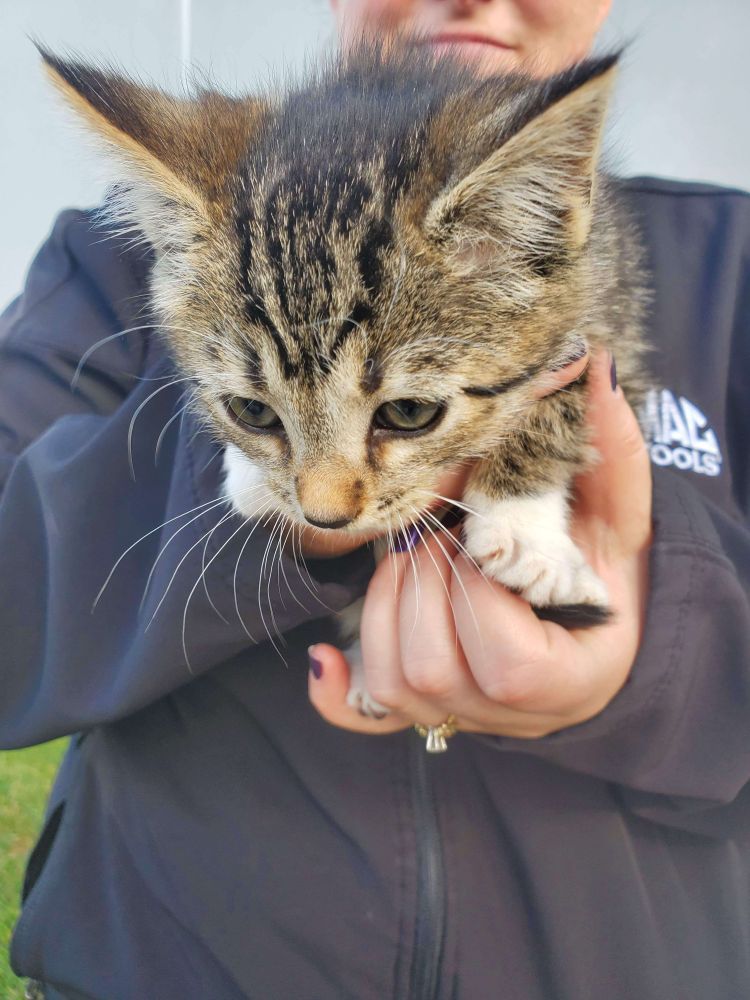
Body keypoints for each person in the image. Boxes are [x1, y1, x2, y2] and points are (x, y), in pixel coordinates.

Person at [1, 0, 748, 997]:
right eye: (253, 407)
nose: (328, 498)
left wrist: (662, 652)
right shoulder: (111, 268)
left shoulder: (728, 269)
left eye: (402, 406)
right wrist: (232, 459)